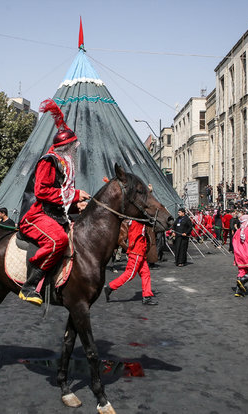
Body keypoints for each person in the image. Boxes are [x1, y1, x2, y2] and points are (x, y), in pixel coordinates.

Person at [17, 99, 90, 306]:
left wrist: (77, 206)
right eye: (73, 146)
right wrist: (75, 195)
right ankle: (29, 286)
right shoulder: (48, 161)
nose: (76, 150)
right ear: (66, 147)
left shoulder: (64, 164)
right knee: (58, 239)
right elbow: (42, 192)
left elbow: (61, 198)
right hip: (36, 215)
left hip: (53, 214)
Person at [104, 220, 158, 305]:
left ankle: (147, 296)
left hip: (140, 252)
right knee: (130, 274)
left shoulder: (139, 221)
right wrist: (133, 248)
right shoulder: (137, 222)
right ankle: (110, 287)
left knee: (146, 273)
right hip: (137, 252)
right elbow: (134, 235)